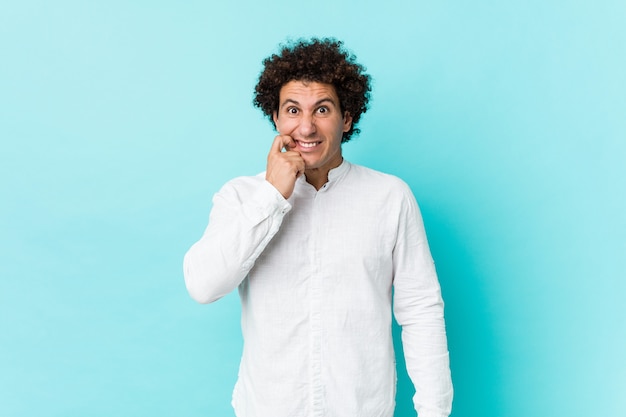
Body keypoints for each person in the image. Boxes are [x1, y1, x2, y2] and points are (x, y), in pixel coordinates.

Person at [183, 38, 453, 417]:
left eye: (322, 109)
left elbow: (421, 311)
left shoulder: (390, 197)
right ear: (276, 118)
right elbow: (203, 285)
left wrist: (434, 412)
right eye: (293, 109)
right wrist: (273, 195)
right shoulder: (241, 197)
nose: (305, 126)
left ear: (346, 118)